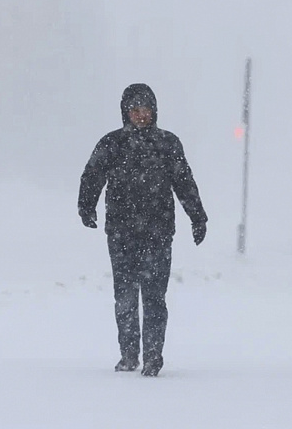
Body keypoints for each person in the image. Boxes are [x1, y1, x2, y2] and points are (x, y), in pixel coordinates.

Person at [78, 83, 207, 377]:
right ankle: (128, 355)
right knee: (124, 296)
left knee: (154, 297)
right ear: (125, 111)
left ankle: (152, 357)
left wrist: (197, 217)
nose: (141, 115)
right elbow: (92, 176)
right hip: (121, 233)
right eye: (135, 109)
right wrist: (86, 206)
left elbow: (184, 182)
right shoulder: (112, 144)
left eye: (145, 109)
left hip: (158, 233)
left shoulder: (167, 144)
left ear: (154, 111)